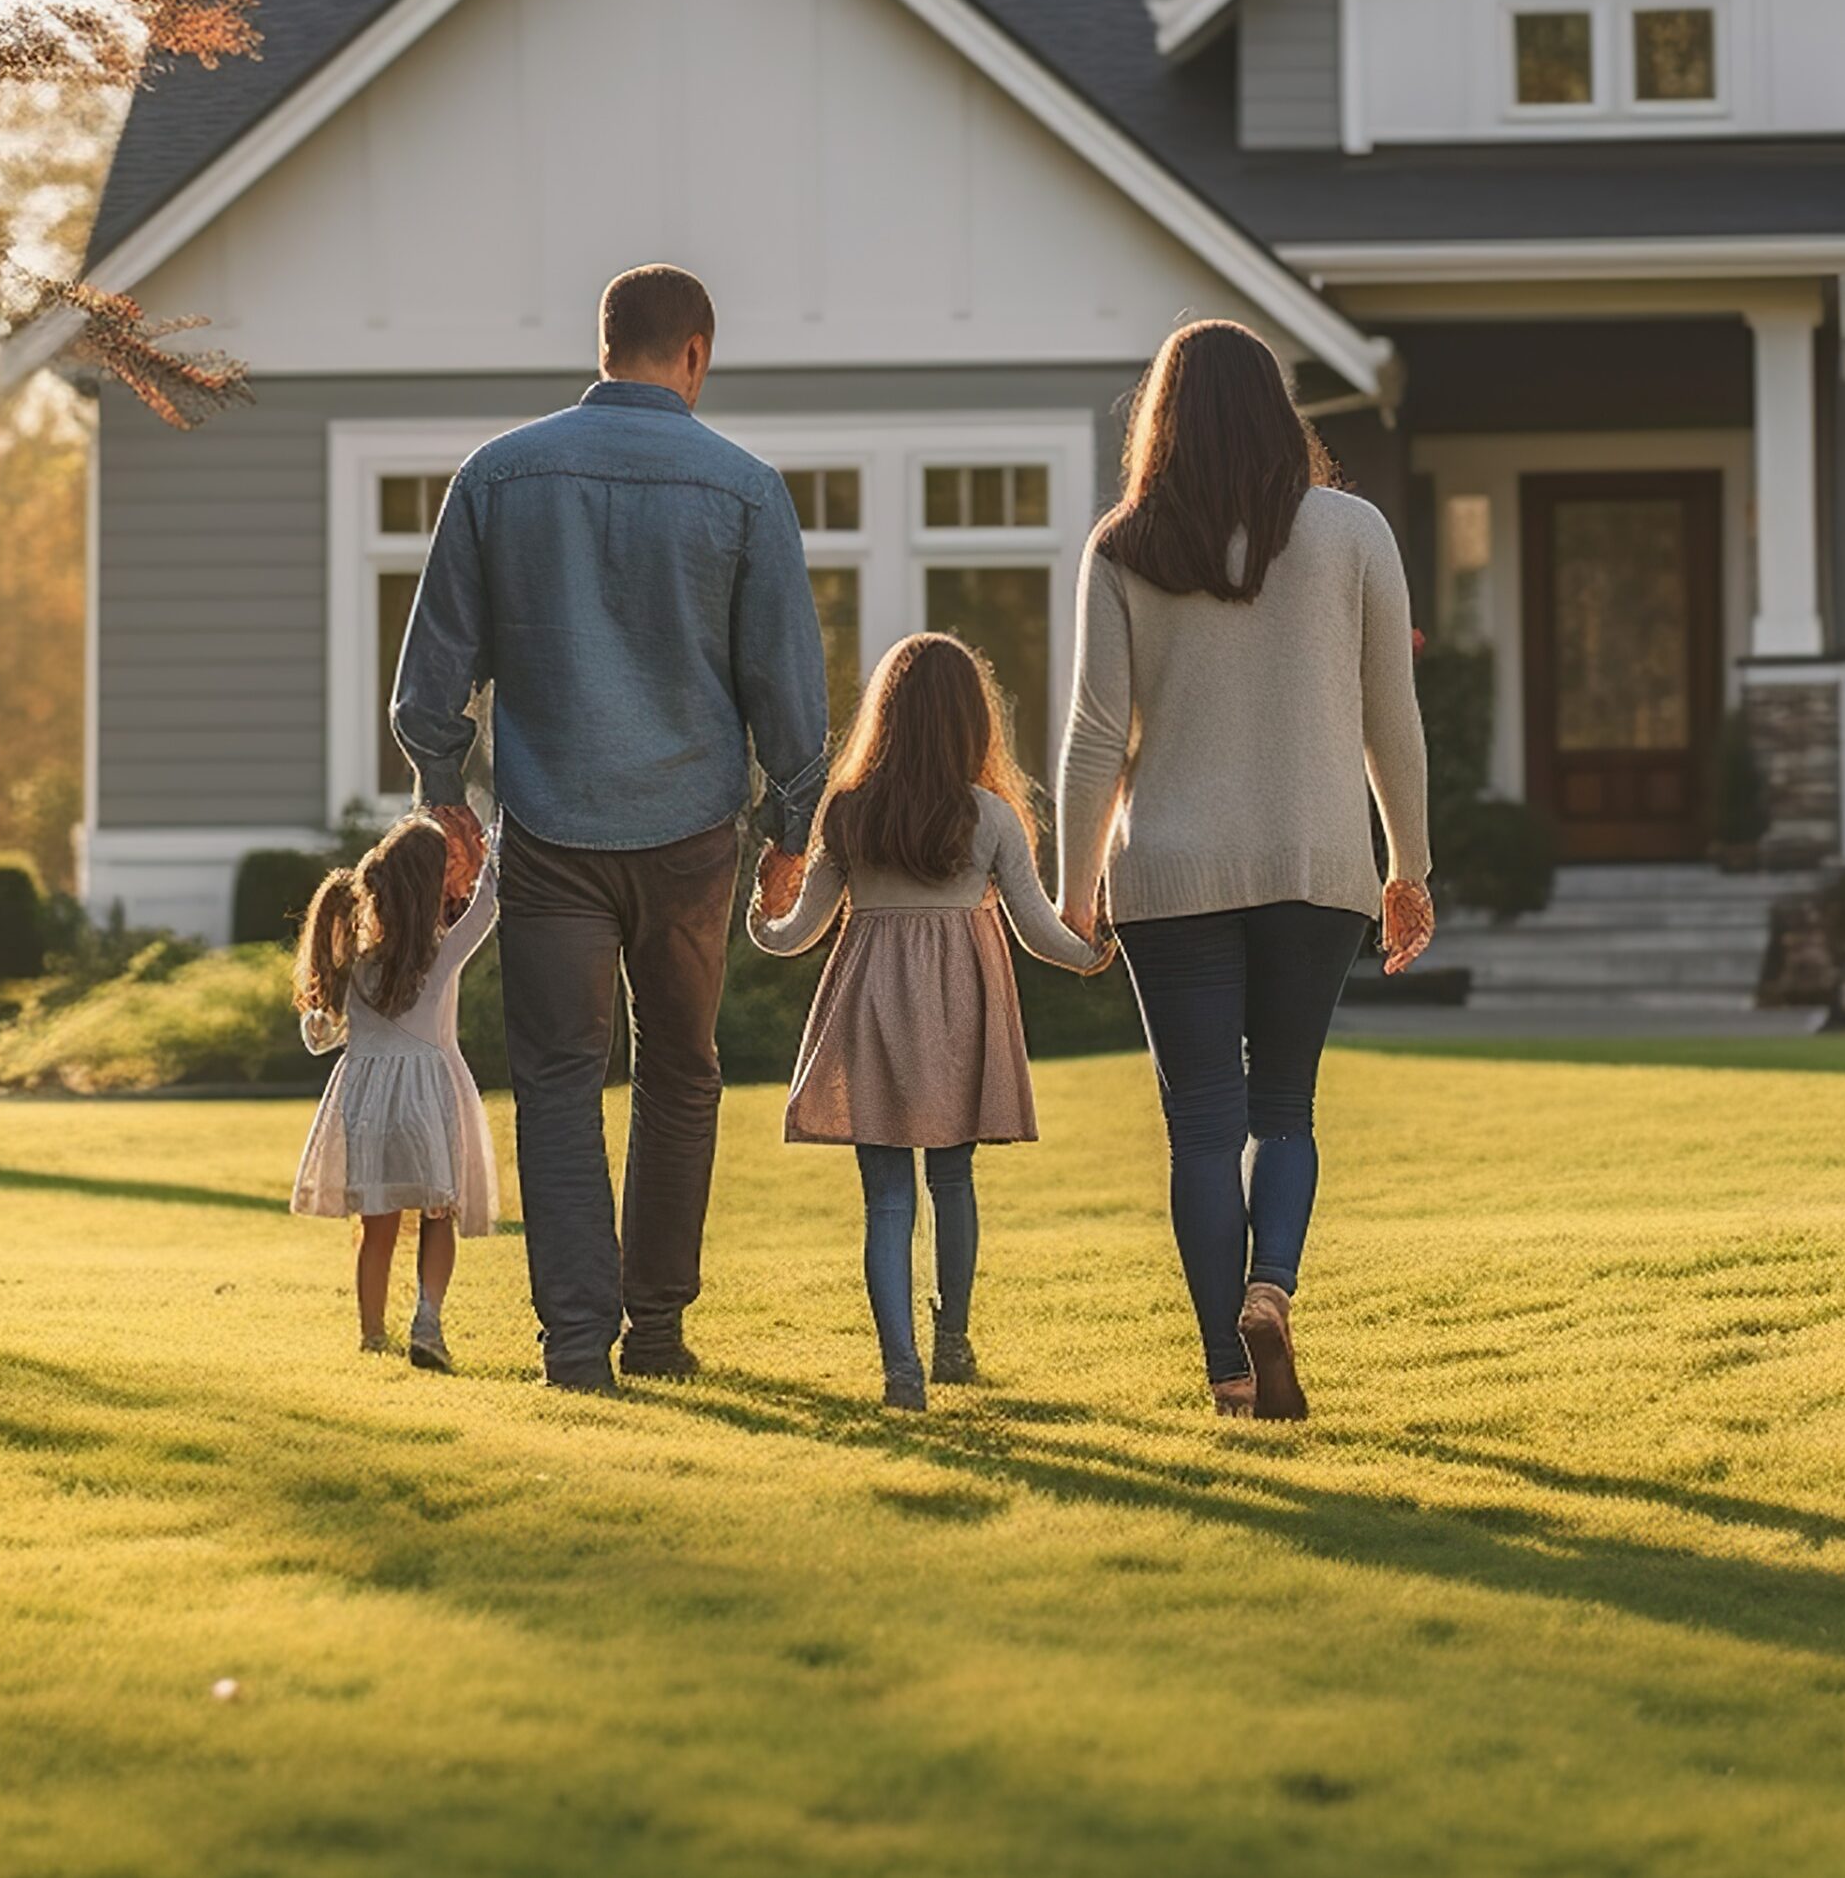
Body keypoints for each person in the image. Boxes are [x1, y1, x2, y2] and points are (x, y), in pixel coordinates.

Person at [391, 264, 828, 1393]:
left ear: (605, 347)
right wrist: (791, 825)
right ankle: (661, 1330)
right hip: (689, 836)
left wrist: (448, 796)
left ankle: (576, 1348)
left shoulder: (498, 475)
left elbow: (430, 673)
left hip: (552, 828)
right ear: (696, 355)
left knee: (557, 1078)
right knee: (681, 1074)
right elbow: (784, 681)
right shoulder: (744, 490)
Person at [1055, 320, 1435, 1422]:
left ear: (1159, 421)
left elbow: (1092, 736)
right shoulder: (1354, 532)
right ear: (1280, 412)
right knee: (1286, 1108)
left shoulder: (1123, 545)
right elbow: (1390, 718)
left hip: (1168, 871)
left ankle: (1228, 1372)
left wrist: (1077, 892)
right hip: (1318, 863)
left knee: (1202, 1128)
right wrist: (1408, 866)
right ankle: (1272, 1289)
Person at [749, 634, 1104, 1411]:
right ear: (972, 723)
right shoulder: (992, 818)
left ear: (887, 718)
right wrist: (1092, 952)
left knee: (884, 1200)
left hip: (871, 1008)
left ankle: (900, 1370)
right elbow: (1037, 927)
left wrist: (759, 915)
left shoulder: (848, 812)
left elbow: (799, 931)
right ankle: (954, 1342)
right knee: (952, 1179)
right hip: (958, 1012)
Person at [289, 811, 500, 1373]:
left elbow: (319, 1038)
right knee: (438, 1216)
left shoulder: (358, 967)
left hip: (368, 1109)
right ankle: (427, 1321)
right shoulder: (441, 955)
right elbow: (487, 905)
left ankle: (372, 1332)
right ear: (432, 888)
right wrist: (497, 833)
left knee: (376, 1224)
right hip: (431, 1103)